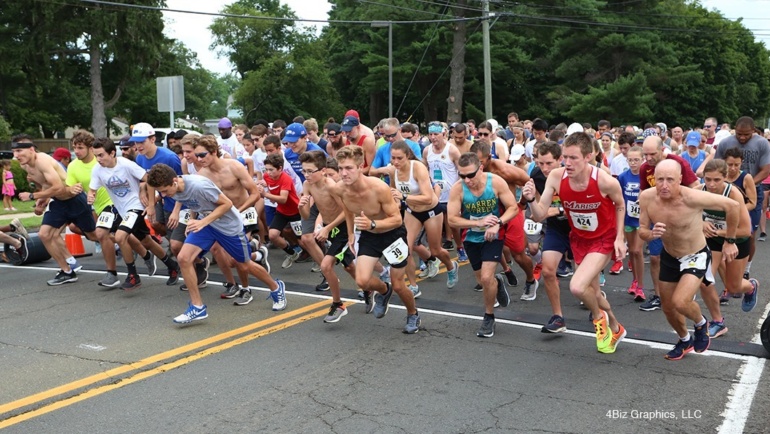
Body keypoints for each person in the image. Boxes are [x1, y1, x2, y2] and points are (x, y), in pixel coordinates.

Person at [523, 132, 627, 354]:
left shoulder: (604, 180)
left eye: (573, 158)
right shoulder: (556, 178)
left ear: (588, 156)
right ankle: (616, 328)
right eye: (565, 158)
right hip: (579, 239)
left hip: (603, 238)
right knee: (594, 293)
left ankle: (599, 321)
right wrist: (531, 200)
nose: (567, 163)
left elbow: (620, 205)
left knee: (577, 286)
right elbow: (540, 214)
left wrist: (620, 238)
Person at [147, 164, 287, 323]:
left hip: (229, 226)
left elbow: (227, 204)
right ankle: (197, 307)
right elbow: (194, 204)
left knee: (244, 264)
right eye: (160, 191)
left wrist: (203, 222)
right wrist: (193, 221)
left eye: (164, 190)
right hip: (207, 225)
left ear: (174, 181)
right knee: (184, 258)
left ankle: (276, 287)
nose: (163, 194)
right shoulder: (174, 190)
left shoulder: (199, 185)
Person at [638, 159, 745, 360]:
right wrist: (650, 234)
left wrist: (729, 241)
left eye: (670, 180)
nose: (664, 185)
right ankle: (685, 339)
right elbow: (642, 230)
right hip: (670, 255)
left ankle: (701, 323)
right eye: (659, 179)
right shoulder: (647, 197)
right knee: (668, 306)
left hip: (695, 255)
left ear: (680, 179)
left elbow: (733, 206)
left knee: (680, 301)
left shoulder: (692, 197)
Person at [329, 145, 421, 334]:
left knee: (399, 284)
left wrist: (372, 225)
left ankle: (413, 313)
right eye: (340, 168)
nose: (343, 173)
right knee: (362, 281)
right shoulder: (340, 189)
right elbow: (348, 208)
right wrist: (351, 234)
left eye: (349, 168)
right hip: (369, 235)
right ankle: (384, 290)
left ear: (360, 166)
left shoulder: (379, 188)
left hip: (392, 235)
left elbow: (396, 219)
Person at [89, 138, 181, 290]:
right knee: (146, 241)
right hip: (121, 209)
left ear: (112, 153)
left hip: (136, 207)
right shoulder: (97, 169)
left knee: (120, 237)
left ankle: (133, 276)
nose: (98, 159)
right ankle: (171, 265)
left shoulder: (126, 165)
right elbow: (92, 189)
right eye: (96, 156)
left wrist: (150, 202)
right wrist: (91, 195)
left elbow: (149, 180)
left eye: (101, 155)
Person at [448, 152, 518, 338]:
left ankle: (489, 317)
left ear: (480, 168)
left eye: (470, 175)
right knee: (483, 280)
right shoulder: (458, 189)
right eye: (462, 176)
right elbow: (452, 219)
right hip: (471, 237)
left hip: (494, 236)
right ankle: (498, 282)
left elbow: (513, 207)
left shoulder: (495, 182)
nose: (467, 180)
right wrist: (478, 223)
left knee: (486, 278)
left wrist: (497, 223)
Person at [13, 135, 99, 285]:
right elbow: (48, 185)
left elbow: (59, 186)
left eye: (19, 150)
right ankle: (67, 271)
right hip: (58, 203)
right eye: (14, 151)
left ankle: (123, 241)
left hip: (75, 200)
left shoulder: (43, 161)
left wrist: (33, 195)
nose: (16, 155)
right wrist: (42, 201)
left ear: (32, 149)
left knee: (94, 236)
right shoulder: (25, 165)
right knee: (44, 234)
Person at [638, 135, 700, 311]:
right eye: (645, 154)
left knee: (682, 254)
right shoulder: (645, 169)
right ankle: (659, 295)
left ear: (662, 150)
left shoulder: (677, 163)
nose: (648, 158)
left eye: (652, 154)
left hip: (681, 218)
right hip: (658, 219)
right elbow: (643, 192)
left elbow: (696, 186)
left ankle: (686, 290)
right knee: (655, 257)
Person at [699, 158, 759, 338]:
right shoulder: (699, 191)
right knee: (704, 279)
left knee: (733, 286)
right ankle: (718, 321)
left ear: (725, 178)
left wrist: (726, 237)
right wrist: (701, 222)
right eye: (707, 179)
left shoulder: (733, 194)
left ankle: (750, 287)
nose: (711, 184)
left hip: (737, 241)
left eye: (716, 180)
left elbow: (745, 231)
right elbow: (685, 211)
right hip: (713, 240)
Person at [390, 141, 458, 295]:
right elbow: (394, 193)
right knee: (405, 249)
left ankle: (450, 266)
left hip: (431, 210)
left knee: (436, 250)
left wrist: (404, 197)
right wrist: (396, 204)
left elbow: (428, 197)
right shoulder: (392, 170)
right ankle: (413, 286)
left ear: (407, 156)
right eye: (393, 158)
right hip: (411, 211)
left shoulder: (418, 168)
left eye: (399, 158)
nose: (395, 162)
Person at [471, 141, 537, 298]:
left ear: (488, 158)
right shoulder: (470, 171)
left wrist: (522, 204)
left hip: (510, 212)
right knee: (485, 247)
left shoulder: (505, 171)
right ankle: (497, 277)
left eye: (480, 163)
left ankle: (530, 280)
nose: (477, 167)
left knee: (518, 255)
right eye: (475, 163)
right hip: (486, 214)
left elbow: (530, 183)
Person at [298, 151, 358, 322]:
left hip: (342, 228)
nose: (307, 175)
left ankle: (338, 304)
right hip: (330, 228)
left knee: (325, 266)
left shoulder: (332, 186)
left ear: (322, 170)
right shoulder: (307, 184)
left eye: (310, 171)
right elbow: (305, 214)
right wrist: (301, 206)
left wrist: (327, 228)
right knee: (349, 266)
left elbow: (347, 211)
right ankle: (368, 289)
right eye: (304, 171)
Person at [714, 116, 770, 281]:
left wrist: (749, 184)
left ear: (753, 131)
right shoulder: (725, 143)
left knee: (749, 234)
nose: (742, 137)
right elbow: (716, 165)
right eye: (739, 134)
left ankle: (746, 266)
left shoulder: (761, 143)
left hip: (751, 190)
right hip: (727, 189)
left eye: (746, 134)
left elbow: (766, 169)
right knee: (727, 229)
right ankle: (728, 269)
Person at [617, 146, 645, 301]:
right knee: (632, 251)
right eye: (630, 160)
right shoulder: (622, 177)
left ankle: (640, 286)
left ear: (643, 160)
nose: (633, 163)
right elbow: (619, 199)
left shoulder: (646, 177)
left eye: (636, 160)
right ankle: (634, 280)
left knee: (637, 250)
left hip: (642, 220)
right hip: (628, 218)